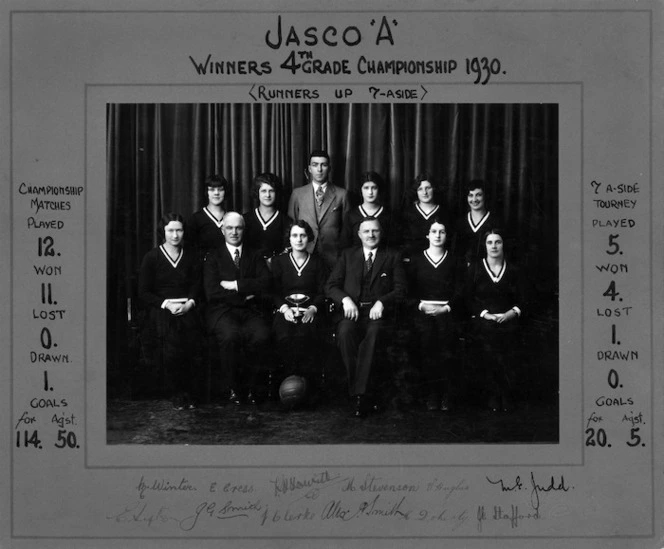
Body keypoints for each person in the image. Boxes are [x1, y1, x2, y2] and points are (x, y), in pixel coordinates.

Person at [326, 217, 407, 417]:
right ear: (359, 235)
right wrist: (345, 300)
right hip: (352, 311)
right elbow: (330, 286)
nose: (371, 235)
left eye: (375, 231)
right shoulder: (347, 255)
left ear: (381, 233)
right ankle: (363, 391)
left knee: (374, 333)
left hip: (378, 314)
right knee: (345, 333)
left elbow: (401, 290)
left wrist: (382, 302)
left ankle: (359, 395)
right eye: (366, 231)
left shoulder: (392, 256)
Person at [203, 212, 271, 405]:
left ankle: (252, 389)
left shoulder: (255, 254)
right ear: (222, 229)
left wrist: (236, 285)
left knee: (261, 335)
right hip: (222, 311)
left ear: (244, 229)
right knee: (230, 336)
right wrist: (246, 294)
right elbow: (212, 292)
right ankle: (232, 388)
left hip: (251, 311)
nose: (234, 232)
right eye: (230, 228)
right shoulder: (213, 256)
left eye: (238, 228)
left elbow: (265, 282)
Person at [138, 213, 203, 409]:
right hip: (162, 309)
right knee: (171, 342)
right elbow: (143, 292)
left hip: (187, 307)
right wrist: (167, 304)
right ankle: (177, 393)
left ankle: (191, 392)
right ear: (163, 232)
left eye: (179, 230)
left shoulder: (191, 256)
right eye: (171, 231)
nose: (175, 235)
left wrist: (189, 304)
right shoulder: (152, 257)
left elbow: (197, 285)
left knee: (193, 340)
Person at [467, 228, 528, 413]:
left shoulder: (515, 269)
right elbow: (469, 298)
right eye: (490, 242)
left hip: (509, 319)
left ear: (504, 244)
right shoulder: (476, 268)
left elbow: (525, 298)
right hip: (485, 320)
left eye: (498, 242)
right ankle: (493, 394)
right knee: (488, 341)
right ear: (484, 245)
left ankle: (507, 394)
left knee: (510, 345)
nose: (494, 246)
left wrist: (511, 313)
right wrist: (486, 314)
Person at [406, 218, 463, 412]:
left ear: (447, 236)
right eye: (434, 231)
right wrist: (421, 306)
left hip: (447, 311)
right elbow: (408, 290)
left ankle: (447, 393)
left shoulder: (454, 260)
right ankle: (432, 392)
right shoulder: (416, 260)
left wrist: (446, 308)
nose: (438, 235)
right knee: (426, 342)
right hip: (422, 310)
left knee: (447, 344)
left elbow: (460, 290)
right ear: (427, 235)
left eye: (442, 232)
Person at [271, 220, 328, 380]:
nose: (299, 239)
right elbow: (273, 291)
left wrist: (313, 308)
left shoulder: (318, 262)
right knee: (284, 336)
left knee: (305, 337)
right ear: (289, 239)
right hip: (285, 312)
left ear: (309, 238)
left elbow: (323, 291)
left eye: (303, 235)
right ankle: (287, 384)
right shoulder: (279, 262)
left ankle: (306, 385)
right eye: (294, 235)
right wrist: (284, 309)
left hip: (310, 312)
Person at [287, 150, 350, 269]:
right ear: (309, 169)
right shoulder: (297, 194)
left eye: (324, 165)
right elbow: (291, 224)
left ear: (329, 168)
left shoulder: (342, 194)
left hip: (333, 255)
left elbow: (346, 229)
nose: (319, 169)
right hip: (304, 254)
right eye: (315, 165)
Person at [243, 172, 291, 267]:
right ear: (257, 192)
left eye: (271, 191)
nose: (268, 195)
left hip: (276, 268)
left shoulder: (286, 221)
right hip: (251, 269)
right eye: (264, 191)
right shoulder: (245, 219)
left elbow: (287, 250)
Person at [452, 180, 503, 268]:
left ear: (485, 196)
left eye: (478, 195)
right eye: (470, 195)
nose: (474, 199)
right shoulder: (460, 223)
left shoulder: (495, 222)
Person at [400, 172, 449, 261]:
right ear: (416, 191)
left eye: (428, 188)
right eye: (420, 189)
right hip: (412, 261)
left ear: (434, 189)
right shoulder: (408, 213)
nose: (424, 192)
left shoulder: (444, 213)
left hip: (437, 260)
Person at [341, 171, 393, 249]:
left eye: (374, 188)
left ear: (379, 189)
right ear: (360, 190)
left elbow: (394, 245)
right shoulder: (351, 215)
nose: (370, 192)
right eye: (366, 188)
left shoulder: (389, 215)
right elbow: (345, 245)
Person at [187, 174, 228, 263]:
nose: (216, 193)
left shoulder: (232, 218)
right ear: (207, 192)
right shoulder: (195, 219)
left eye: (220, 189)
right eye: (212, 189)